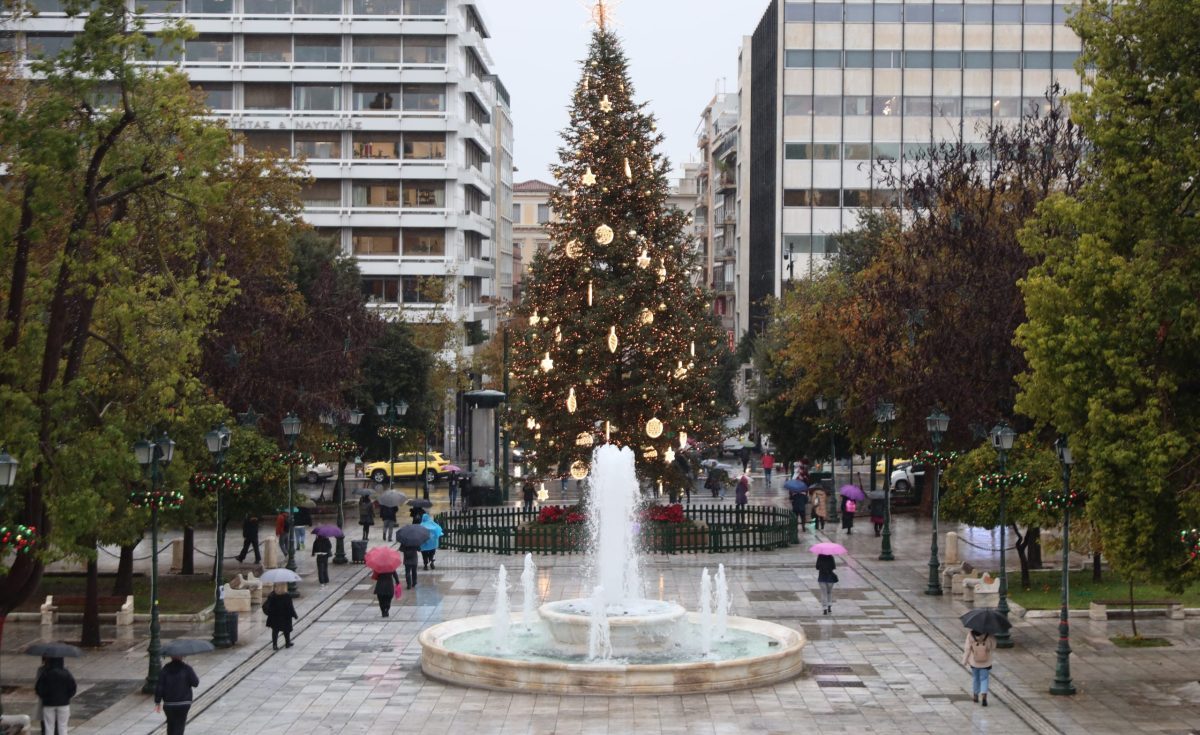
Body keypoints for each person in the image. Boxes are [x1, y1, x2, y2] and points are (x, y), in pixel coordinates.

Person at [154, 655, 199, 735]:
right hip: (184, 703)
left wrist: (157, 702)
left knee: (171, 725)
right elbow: (195, 683)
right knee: (179, 726)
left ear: (171, 657)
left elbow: (160, 687)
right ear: (182, 657)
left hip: (169, 704)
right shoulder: (187, 669)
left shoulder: (165, 670)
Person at [35, 657, 76, 735]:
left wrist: (44, 697)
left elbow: (38, 688)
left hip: (48, 704)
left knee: (49, 727)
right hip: (64, 703)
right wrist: (67, 697)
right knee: (63, 727)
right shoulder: (66, 673)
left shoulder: (45, 673)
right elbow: (72, 687)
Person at [962, 629, 997, 706]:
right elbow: (993, 646)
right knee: (984, 679)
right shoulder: (989, 634)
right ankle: (984, 696)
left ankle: (975, 695)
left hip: (974, 662)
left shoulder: (971, 634)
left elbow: (967, 648)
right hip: (986, 662)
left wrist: (964, 660)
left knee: (975, 678)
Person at [263, 584, 298, 650]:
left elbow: (267, 605)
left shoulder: (272, 595)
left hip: (274, 616)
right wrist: (294, 615)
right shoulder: (287, 596)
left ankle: (275, 645)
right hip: (285, 616)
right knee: (286, 630)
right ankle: (287, 643)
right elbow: (290, 607)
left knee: (275, 631)